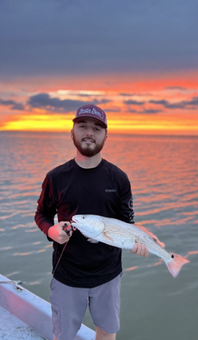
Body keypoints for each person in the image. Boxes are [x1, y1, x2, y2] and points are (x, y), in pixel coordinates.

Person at [35, 104, 149, 340]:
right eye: (83, 126)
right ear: (72, 132)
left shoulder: (118, 178)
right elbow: (42, 214)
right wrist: (51, 231)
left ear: (106, 135)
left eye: (97, 128)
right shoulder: (56, 177)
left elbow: (127, 223)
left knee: (107, 332)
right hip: (66, 273)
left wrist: (137, 241)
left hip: (108, 274)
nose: (89, 132)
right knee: (63, 334)